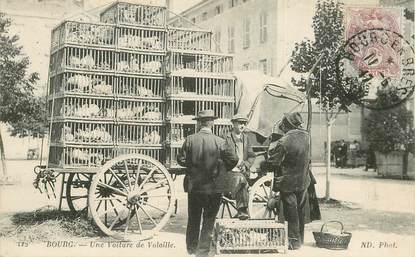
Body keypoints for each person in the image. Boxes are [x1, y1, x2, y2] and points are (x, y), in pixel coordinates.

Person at [177, 110, 238, 257]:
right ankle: (203, 251)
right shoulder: (220, 141)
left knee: (194, 218)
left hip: (194, 187)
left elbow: (181, 160)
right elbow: (234, 159)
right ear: (212, 123)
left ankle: (191, 248)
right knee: (209, 219)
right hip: (213, 187)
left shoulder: (190, 139)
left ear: (199, 123)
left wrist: (192, 166)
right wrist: (222, 168)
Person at [267, 112, 311, 250]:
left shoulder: (284, 141)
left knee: (291, 211)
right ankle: (301, 240)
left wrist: (266, 161)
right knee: (300, 210)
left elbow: (274, 162)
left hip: (288, 182)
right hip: (303, 180)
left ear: (286, 126)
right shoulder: (307, 137)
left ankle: (294, 243)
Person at [222, 113, 255, 220]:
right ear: (233, 124)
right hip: (229, 171)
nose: (242, 125)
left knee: (242, 180)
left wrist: (246, 165)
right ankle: (242, 210)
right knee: (240, 180)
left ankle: (242, 209)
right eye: (240, 123)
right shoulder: (226, 138)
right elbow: (223, 155)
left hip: (243, 170)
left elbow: (251, 156)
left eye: (244, 123)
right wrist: (232, 165)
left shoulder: (246, 138)